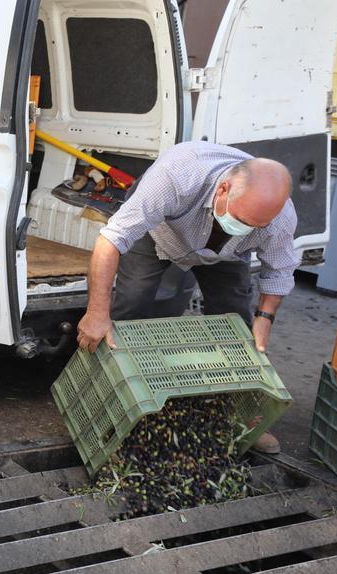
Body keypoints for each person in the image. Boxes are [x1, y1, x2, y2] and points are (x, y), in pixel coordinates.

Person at [76, 141, 297, 453]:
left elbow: (279, 271)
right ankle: (106, 402)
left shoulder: (279, 218)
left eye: (254, 227)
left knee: (237, 322)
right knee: (128, 308)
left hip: (226, 257)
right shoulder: (177, 176)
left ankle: (238, 414)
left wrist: (265, 321)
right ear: (223, 189)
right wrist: (97, 311)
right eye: (242, 221)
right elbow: (111, 240)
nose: (243, 229)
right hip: (161, 234)